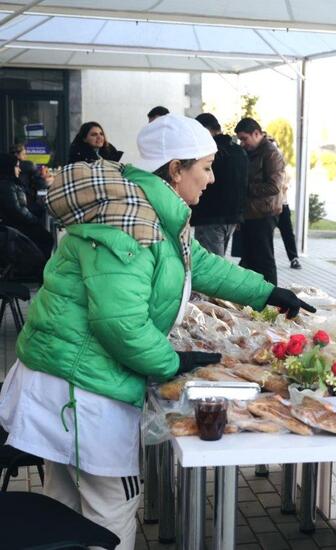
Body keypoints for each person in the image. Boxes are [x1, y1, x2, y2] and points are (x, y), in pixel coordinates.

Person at [0, 114, 314, 550]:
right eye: (204, 167)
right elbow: (119, 324)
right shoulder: (130, 223)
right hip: (80, 390)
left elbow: (199, 265)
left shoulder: (149, 211)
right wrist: (170, 363)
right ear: (174, 169)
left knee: (67, 510)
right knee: (110, 514)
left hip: (69, 381)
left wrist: (267, 292)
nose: (211, 178)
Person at [234, 117, 285, 284]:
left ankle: (273, 299)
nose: (242, 143)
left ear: (256, 133)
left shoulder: (270, 153)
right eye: (240, 139)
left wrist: (245, 188)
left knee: (264, 260)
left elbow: (274, 186)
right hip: (250, 214)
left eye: (244, 139)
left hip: (264, 214)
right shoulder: (250, 152)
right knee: (249, 259)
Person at [191, 112, 248, 256]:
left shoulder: (209, 152)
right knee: (217, 264)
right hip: (232, 217)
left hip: (209, 218)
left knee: (209, 269)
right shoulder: (239, 151)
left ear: (205, 130)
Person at [0, 152, 54, 260]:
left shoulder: (11, 183)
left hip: (17, 225)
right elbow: (16, 210)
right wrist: (34, 220)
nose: (19, 170)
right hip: (15, 228)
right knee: (45, 238)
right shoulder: (6, 185)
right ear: (9, 167)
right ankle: (40, 269)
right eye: (16, 166)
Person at [10, 143, 51, 221]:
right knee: (44, 211)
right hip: (28, 204)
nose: (26, 156)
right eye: (24, 154)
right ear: (17, 155)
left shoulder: (5, 167)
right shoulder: (28, 165)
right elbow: (41, 185)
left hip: (9, 208)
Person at [277, 188, 301, 269]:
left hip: (283, 205)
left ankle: (294, 258)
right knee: (265, 234)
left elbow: (284, 187)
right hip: (269, 205)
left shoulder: (284, 175)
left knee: (288, 233)